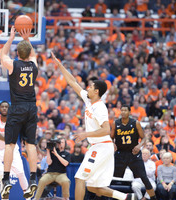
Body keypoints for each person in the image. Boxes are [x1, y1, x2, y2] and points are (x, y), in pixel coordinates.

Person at [51, 52, 134, 200]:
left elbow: (106, 129)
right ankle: (126, 197)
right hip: (100, 146)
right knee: (93, 187)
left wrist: (85, 134)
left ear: (96, 92)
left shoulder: (100, 107)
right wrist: (60, 65)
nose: (87, 88)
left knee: (79, 178)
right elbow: (72, 82)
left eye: (90, 87)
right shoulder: (89, 100)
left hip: (101, 146)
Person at [0, 27, 38, 199]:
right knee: (30, 144)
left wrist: (11, 38)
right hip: (31, 107)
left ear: (18, 53)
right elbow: (34, 55)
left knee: (10, 145)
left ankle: (6, 179)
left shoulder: (13, 64)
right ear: (29, 53)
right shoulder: (34, 65)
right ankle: (33, 177)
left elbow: (2, 54)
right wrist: (27, 38)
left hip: (17, 108)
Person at [111, 104, 157, 200]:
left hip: (134, 154)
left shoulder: (135, 123)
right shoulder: (115, 123)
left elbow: (144, 138)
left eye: (125, 110)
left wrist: (139, 146)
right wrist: (112, 143)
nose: (123, 112)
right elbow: (111, 137)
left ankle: (153, 198)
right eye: (122, 110)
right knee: (110, 178)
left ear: (129, 112)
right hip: (120, 154)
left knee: (144, 178)